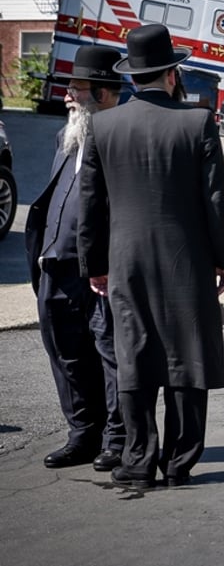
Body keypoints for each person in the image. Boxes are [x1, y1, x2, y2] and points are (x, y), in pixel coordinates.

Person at [77, 23, 224, 489]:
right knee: (187, 354)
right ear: (172, 74)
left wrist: (96, 265)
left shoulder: (103, 125)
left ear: (132, 78)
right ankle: (179, 460)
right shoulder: (197, 121)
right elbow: (215, 198)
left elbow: (92, 204)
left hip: (126, 259)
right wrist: (223, 257)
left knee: (135, 354)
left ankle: (137, 459)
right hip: (186, 257)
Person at [25, 45, 126, 472]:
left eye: (76, 89)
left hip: (101, 273)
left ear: (102, 94)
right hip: (55, 266)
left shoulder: (123, 139)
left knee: (110, 356)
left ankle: (116, 441)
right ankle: (82, 435)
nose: (66, 96)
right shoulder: (66, 137)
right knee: (64, 353)